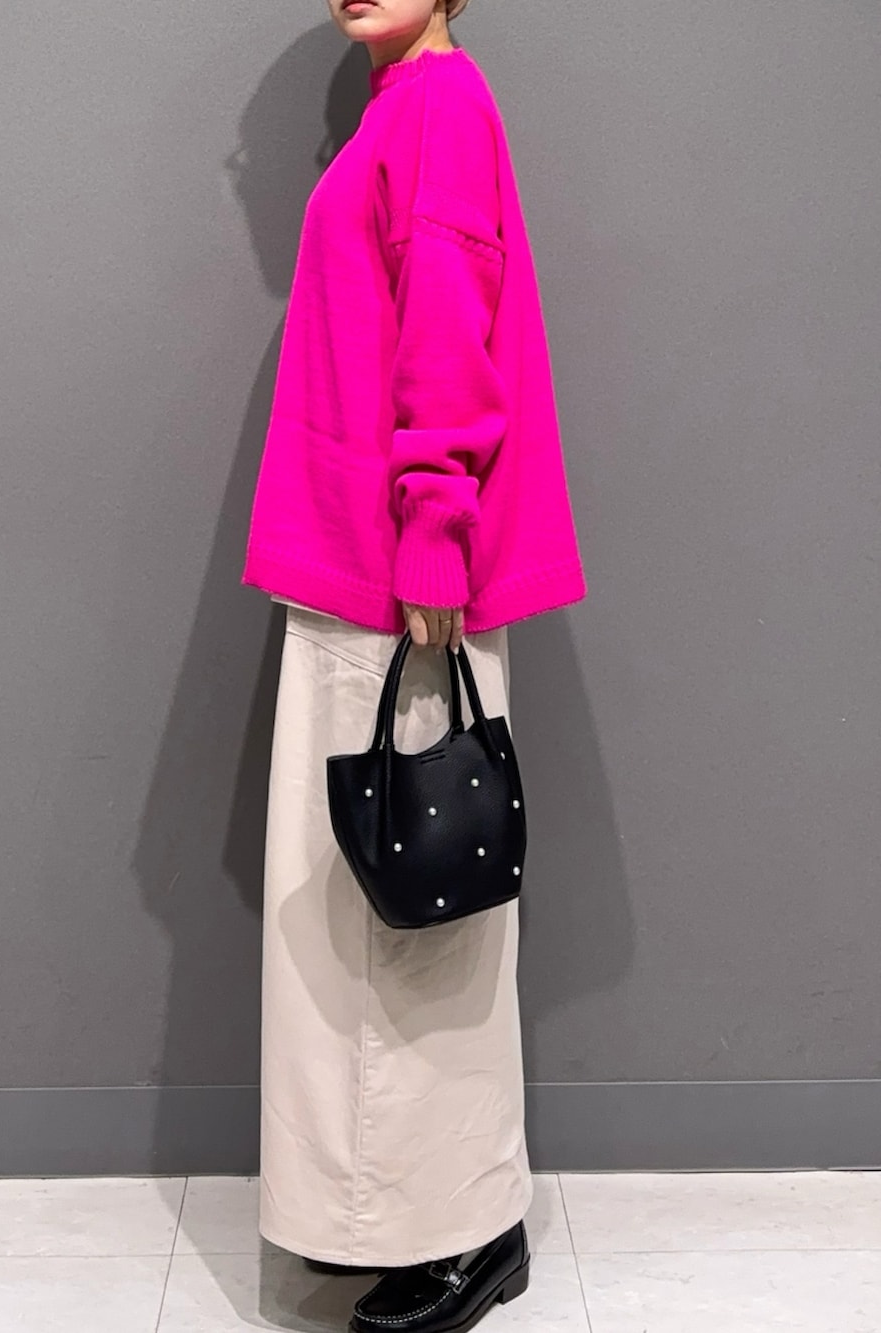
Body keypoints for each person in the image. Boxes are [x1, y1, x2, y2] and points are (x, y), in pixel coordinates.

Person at [240, 2, 585, 1328]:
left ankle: (462, 1232)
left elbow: (451, 317)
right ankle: (389, 1211)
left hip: (397, 568)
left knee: (410, 921)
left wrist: (436, 523)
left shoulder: (439, 105)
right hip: (359, 558)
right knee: (366, 912)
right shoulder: (405, 108)